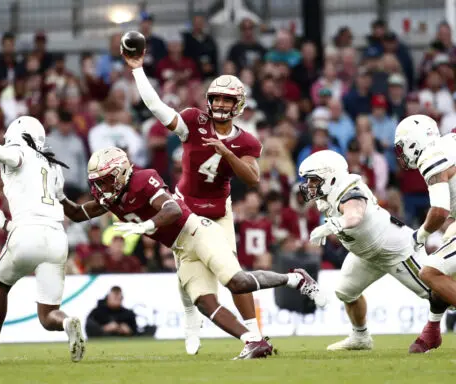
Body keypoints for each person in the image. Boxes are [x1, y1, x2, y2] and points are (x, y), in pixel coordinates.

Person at [51, 146, 325, 359]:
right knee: (205, 303)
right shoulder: (111, 197)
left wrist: (148, 224)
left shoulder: (143, 178)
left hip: (197, 232)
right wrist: (58, 194)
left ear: (121, 173)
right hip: (181, 249)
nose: (102, 188)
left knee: (236, 282)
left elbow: (170, 209)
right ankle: (253, 342)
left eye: (107, 181)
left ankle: (295, 279)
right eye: (99, 182)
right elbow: (76, 214)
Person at [123, 50, 271, 356]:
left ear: (238, 105)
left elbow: (253, 179)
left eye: (227, 100)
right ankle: (191, 319)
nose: (219, 104)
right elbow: (157, 108)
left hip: (219, 212)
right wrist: (137, 70)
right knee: (188, 274)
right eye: (216, 98)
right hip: (184, 209)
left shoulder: (247, 141)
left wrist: (227, 152)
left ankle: (257, 337)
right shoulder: (193, 120)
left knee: (234, 274)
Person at [299, 149, 448, 353]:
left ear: (331, 176)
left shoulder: (350, 191)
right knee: (346, 292)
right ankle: (360, 337)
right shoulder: (328, 196)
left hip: (394, 249)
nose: (309, 186)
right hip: (366, 254)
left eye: (314, 180)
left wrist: (332, 225)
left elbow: (354, 216)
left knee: (440, 292)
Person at [0, 116, 85, 364]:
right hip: (57, 237)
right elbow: (50, 207)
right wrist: (5, 223)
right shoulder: (53, 166)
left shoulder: (19, 150)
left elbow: (7, 155)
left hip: (27, 233)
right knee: (48, 315)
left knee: (1, 286)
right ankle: (67, 322)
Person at [394, 115, 456, 309]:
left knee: (429, 273)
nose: (402, 153)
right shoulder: (450, 141)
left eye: (403, 146)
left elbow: (439, 211)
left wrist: (418, 236)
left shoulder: (431, 156)